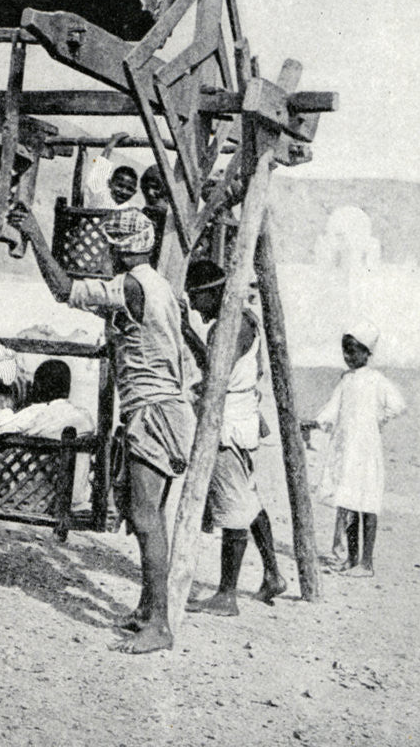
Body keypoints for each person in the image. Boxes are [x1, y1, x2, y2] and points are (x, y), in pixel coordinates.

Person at [10, 203, 194, 654]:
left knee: (147, 519)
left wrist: (35, 234)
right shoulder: (155, 285)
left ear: (117, 250)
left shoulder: (131, 284)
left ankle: (161, 625)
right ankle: (148, 609)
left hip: (154, 411)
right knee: (137, 509)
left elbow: (62, 289)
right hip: (158, 409)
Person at [182, 260, 287, 616]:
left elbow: (214, 372)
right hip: (242, 422)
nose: (195, 308)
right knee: (248, 500)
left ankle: (226, 595)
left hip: (229, 426)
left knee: (233, 507)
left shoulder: (231, 326)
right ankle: (272, 573)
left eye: (196, 299)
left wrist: (185, 331)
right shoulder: (243, 318)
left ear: (211, 293)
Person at [307, 320, 406, 578]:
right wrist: (316, 422)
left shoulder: (376, 380)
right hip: (347, 449)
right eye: (345, 351)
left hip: (366, 449)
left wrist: (376, 420)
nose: (348, 357)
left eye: (353, 351)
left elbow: (397, 405)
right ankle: (351, 559)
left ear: (367, 352)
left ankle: (367, 563)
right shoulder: (346, 380)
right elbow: (332, 408)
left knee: (367, 505)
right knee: (348, 502)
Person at [0, 359, 96, 511]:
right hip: (76, 501)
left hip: (36, 500)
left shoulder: (36, 414)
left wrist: (11, 409)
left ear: (38, 386)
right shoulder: (84, 418)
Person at [83, 133, 140, 210]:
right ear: (109, 183)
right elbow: (100, 168)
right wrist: (113, 142)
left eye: (129, 189)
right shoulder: (101, 196)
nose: (123, 191)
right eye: (120, 186)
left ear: (134, 192)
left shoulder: (127, 209)